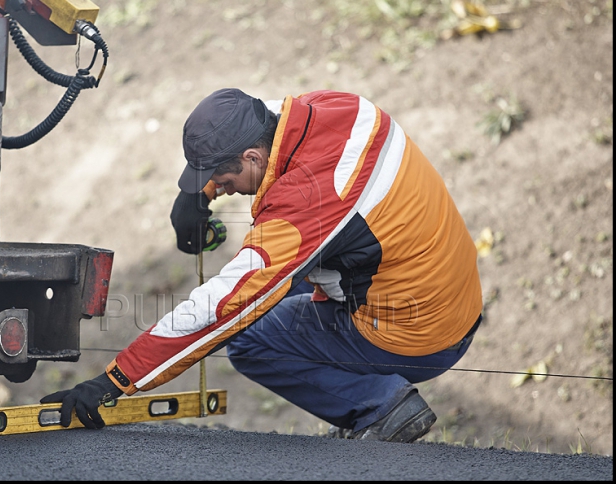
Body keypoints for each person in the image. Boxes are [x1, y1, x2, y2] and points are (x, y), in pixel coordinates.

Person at [41, 88, 483, 442]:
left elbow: (221, 307)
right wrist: (196, 196)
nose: (226, 189)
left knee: (251, 336)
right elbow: (265, 115)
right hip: (445, 297)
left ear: (252, 158)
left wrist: (114, 381)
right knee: (276, 293)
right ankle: (372, 393)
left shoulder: (303, 205)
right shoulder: (333, 107)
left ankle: (381, 406)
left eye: (226, 179)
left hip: (421, 336)